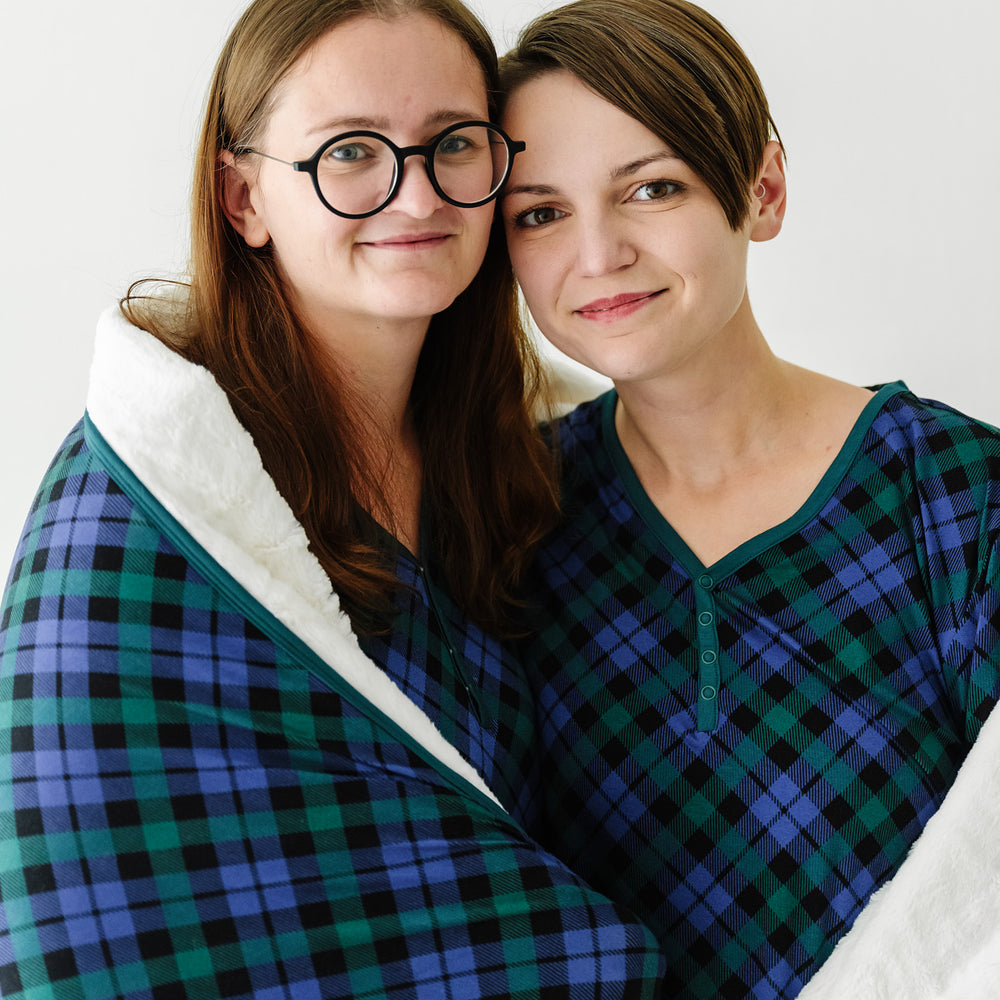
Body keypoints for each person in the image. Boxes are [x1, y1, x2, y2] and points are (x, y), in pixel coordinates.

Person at [0, 1, 666, 997]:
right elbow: (83, 923)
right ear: (243, 199)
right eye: (351, 151)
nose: (416, 194)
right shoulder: (135, 518)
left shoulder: (522, 466)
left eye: (453, 144)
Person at [498, 1, 1000, 997]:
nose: (597, 255)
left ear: (761, 189)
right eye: (541, 212)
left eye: (651, 187)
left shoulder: (953, 496)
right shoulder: (510, 517)